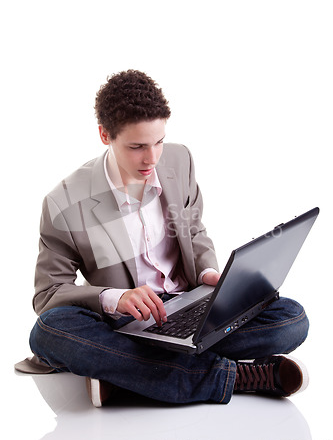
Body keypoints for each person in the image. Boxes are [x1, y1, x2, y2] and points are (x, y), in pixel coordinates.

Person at [16, 70, 310, 407]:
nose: (152, 158)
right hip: (127, 323)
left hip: (190, 305)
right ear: (104, 135)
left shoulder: (179, 159)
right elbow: (48, 295)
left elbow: (194, 229)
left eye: (158, 141)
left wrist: (207, 274)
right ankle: (233, 377)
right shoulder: (64, 202)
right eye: (137, 146)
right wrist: (116, 298)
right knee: (50, 331)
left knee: (290, 319)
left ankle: (124, 375)